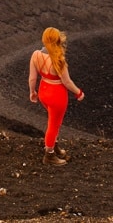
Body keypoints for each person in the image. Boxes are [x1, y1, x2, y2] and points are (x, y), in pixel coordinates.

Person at [28, 27, 85, 165]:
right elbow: (67, 81)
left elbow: (32, 78)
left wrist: (32, 92)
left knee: (52, 121)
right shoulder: (58, 59)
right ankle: (49, 155)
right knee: (54, 125)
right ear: (58, 40)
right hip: (56, 95)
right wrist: (78, 92)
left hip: (43, 92)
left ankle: (54, 146)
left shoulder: (36, 55)